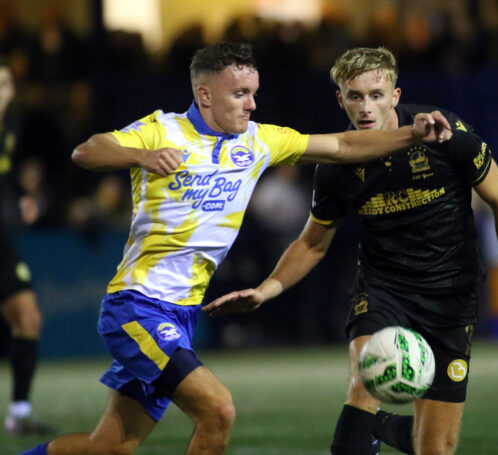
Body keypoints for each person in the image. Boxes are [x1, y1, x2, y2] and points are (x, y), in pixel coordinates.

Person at [19, 42, 452, 455]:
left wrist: (412, 135)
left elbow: (342, 145)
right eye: (240, 93)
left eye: (254, 93)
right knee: (218, 410)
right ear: (205, 95)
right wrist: (141, 156)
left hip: (180, 315)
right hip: (137, 307)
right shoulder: (162, 130)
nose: (252, 104)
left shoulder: (258, 141)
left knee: (108, 447)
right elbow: (88, 151)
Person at [204, 47, 498, 455]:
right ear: (340, 99)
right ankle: (361, 430)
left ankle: (380, 429)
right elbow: (312, 242)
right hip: (384, 289)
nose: (365, 107)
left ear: (395, 96)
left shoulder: (445, 132)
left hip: (451, 294)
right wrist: (265, 289)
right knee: (366, 379)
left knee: (436, 448)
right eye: (355, 96)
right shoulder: (336, 166)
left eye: (376, 95)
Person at [0, 57, 54, 434]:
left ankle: (19, 413)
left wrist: (22, 197)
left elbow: (5, 175)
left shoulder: (9, 129)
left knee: (28, 318)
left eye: (4, 84)